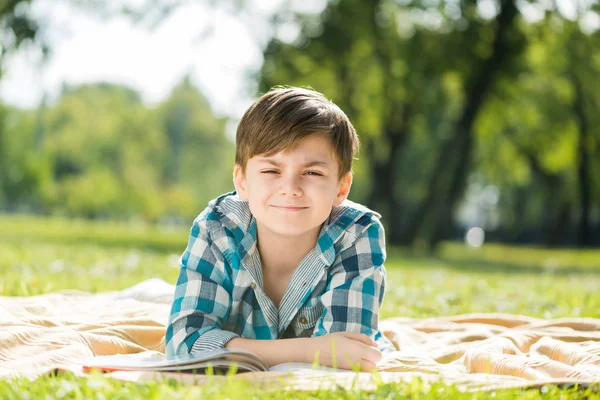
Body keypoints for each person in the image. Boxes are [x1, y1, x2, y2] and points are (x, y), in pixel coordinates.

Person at [165, 87, 395, 371]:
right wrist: (311, 350)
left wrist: (232, 349)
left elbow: (347, 353)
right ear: (242, 181)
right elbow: (183, 344)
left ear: (342, 187)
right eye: (271, 171)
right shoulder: (217, 228)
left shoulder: (356, 232)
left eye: (312, 172)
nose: (290, 189)